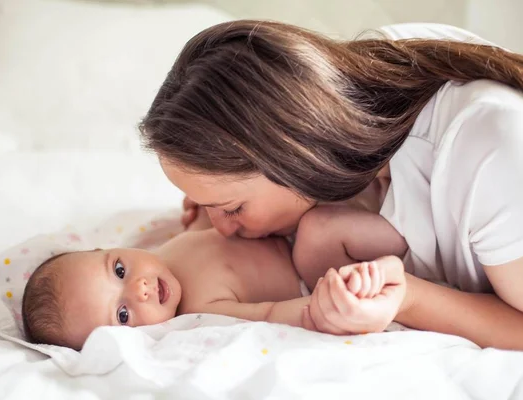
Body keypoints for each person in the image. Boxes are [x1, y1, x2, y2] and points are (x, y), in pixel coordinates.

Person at [139, 20, 523, 350]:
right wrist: (212, 194)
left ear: (296, 156)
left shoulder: (487, 153)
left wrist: (408, 299)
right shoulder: (344, 97)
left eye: (233, 208)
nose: (221, 229)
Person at [21, 208, 405, 350]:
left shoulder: (165, 249)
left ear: (108, 248)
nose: (138, 288)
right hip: (313, 271)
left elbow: (216, 228)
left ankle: (406, 214)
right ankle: (421, 255)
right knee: (318, 231)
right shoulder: (199, 312)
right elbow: (268, 313)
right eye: (123, 314)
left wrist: (205, 201)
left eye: (120, 270)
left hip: (281, 227)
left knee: (316, 210)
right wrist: (324, 304)